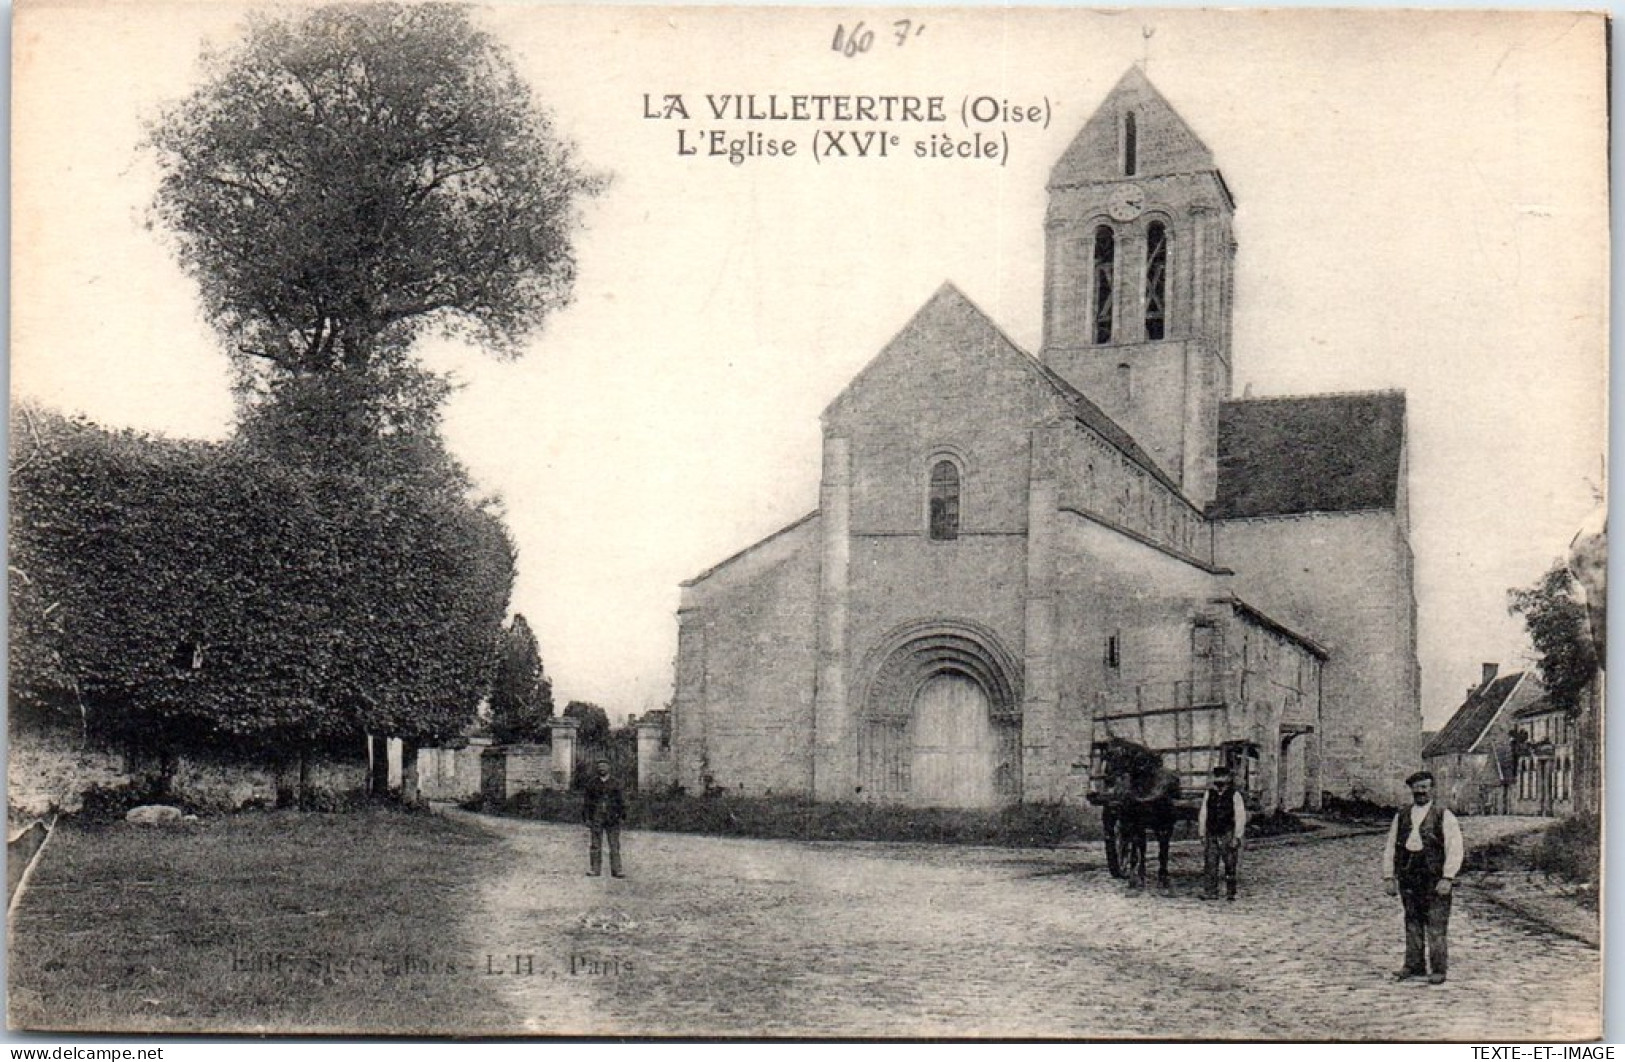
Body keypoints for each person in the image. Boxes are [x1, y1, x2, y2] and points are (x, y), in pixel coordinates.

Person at [1383, 770, 1464, 984]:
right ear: (1411, 790)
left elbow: (1455, 848)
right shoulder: (1402, 815)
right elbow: (1392, 846)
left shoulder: (1443, 815)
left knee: (1436, 923)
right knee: (1412, 921)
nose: (1420, 791)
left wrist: (1447, 877)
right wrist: (1389, 876)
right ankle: (1413, 965)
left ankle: (1438, 969)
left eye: (1425, 787)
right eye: (1416, 787)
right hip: (1409, 876)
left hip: (1434, 878)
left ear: (1432, 789)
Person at [1197, 765, 1247, 900]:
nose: (1219, 780)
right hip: (1212, 833)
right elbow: (1204, 813)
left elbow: (1240, 816)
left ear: (1228, 779)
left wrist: (1237, 836)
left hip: (1227, 832)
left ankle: (1231, 892)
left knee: (1230, 862)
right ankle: (1210, 891)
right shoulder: (1209, 794)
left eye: (1222, 777)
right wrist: (1202, 832)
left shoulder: (1235, 795)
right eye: (1217, 777)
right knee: (1210, 862)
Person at [583, 758, 625, 878]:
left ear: (609, 768)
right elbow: (587, 802)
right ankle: (595, 869)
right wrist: (587, 818)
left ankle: (617, 870)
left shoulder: (616, 783)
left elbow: (621, 801)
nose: (602, 768)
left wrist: (622, 816)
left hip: (613, 818)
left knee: (614, 845)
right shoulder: (592, 784)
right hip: (596, 817)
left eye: (604, 766)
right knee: (595, 844)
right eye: (600, 766)